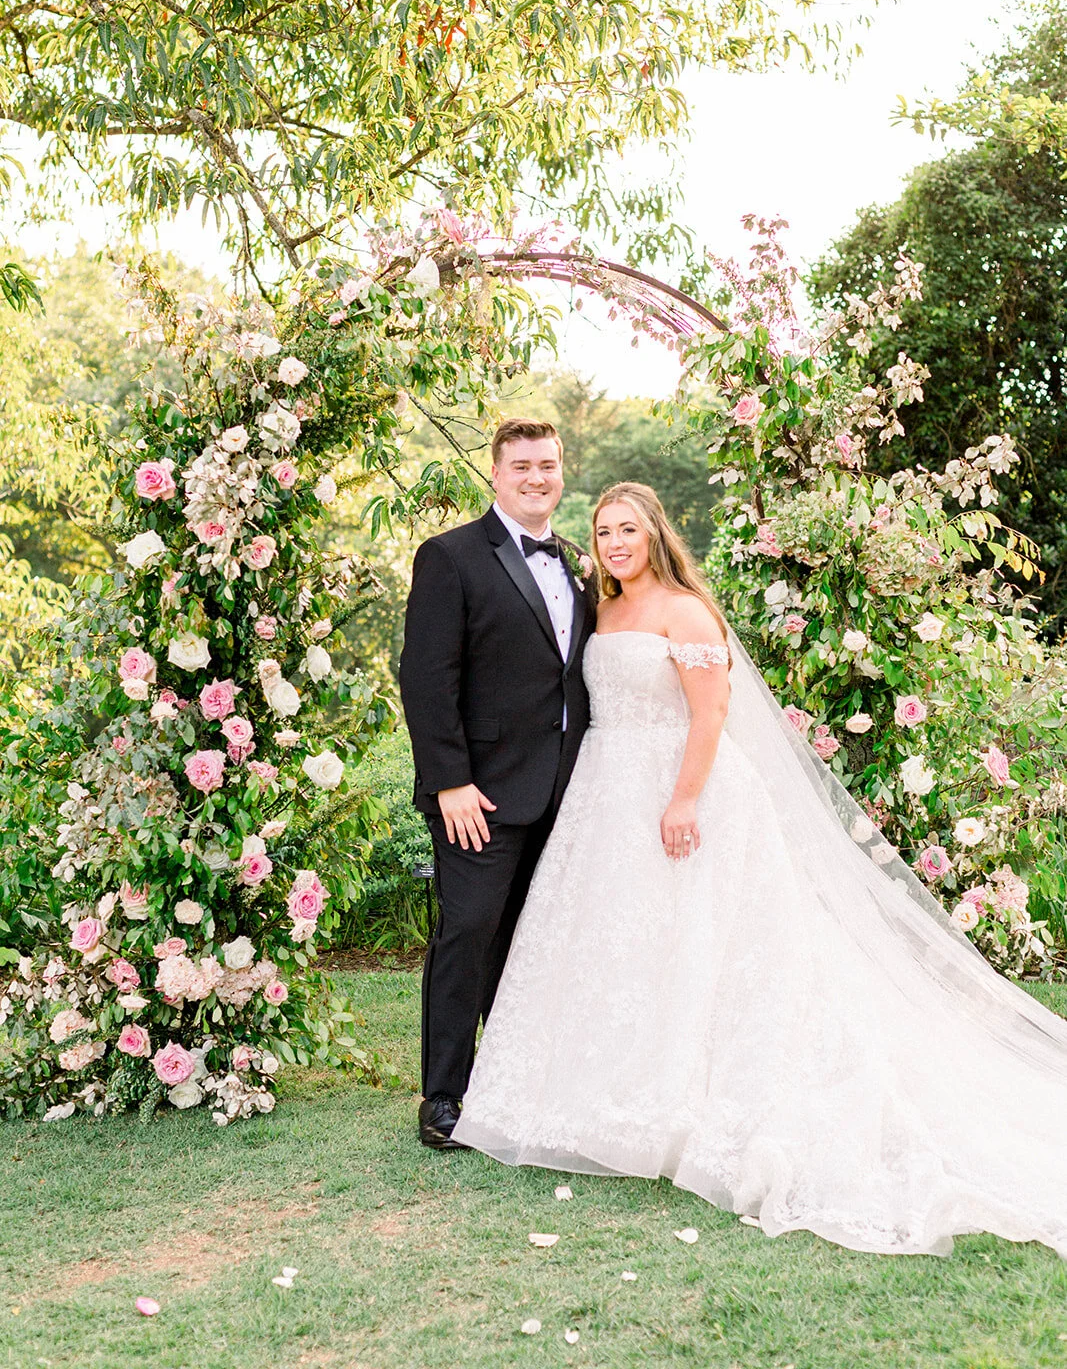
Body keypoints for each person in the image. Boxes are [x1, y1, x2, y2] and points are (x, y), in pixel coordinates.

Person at [453, 481, 1067, 1259]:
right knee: (622, 945)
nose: (614, 543)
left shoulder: (684, 610)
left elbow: (709, 712)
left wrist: (682, 800)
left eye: (627, 530)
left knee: (703, 943)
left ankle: (700, 1100)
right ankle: (609, 1099)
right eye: (603, 531)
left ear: (654, 535)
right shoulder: (600, 608)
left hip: (681, 791)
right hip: (604, 796)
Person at [398, 419, 598, 1149]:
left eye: (547, 464)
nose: (536, 478)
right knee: (468, 933)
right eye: (521, 466)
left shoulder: (577, 562)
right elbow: (426, 678)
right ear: (495, 474)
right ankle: (444, 1097)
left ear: (561, 471)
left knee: (536, 940)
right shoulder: (450, 556)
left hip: (566, 792)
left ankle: (517, 1086)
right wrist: (449, 781)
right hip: (478, 795)